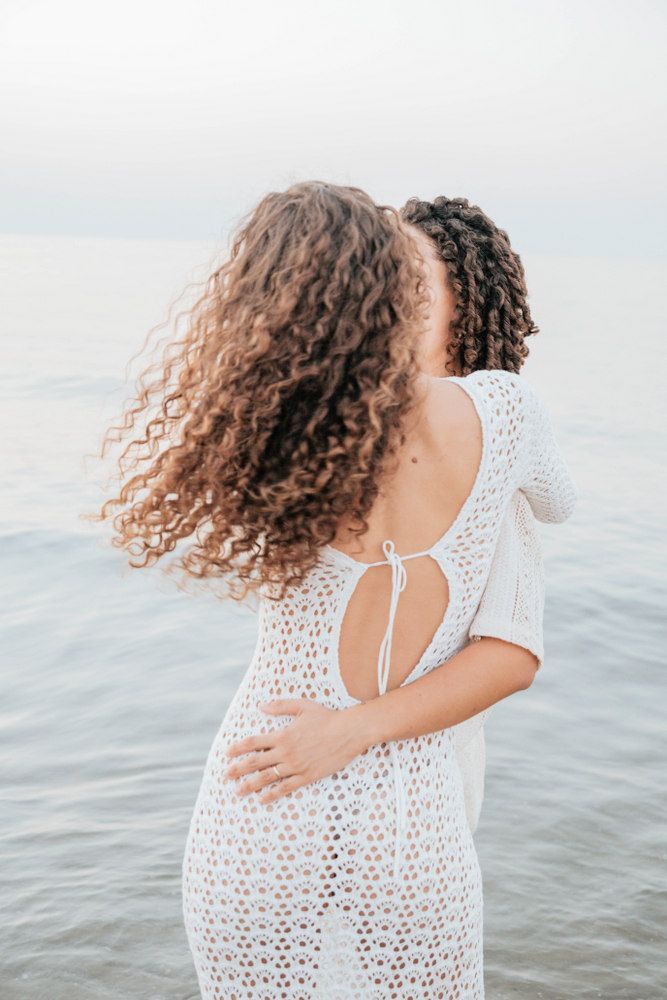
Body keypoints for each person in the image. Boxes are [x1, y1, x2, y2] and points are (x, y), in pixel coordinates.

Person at [95, 181, 577, 997]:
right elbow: (561, 500)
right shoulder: (505, 414)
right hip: (410, 816)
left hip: (259, 786)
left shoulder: (285, 435)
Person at [400, 195, 550, 833]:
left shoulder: (495, 452)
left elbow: (510, 656)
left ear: (467, 303)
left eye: (415, 282)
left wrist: (350, 732)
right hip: (307, 776)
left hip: (422, 789)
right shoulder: (350, 435)